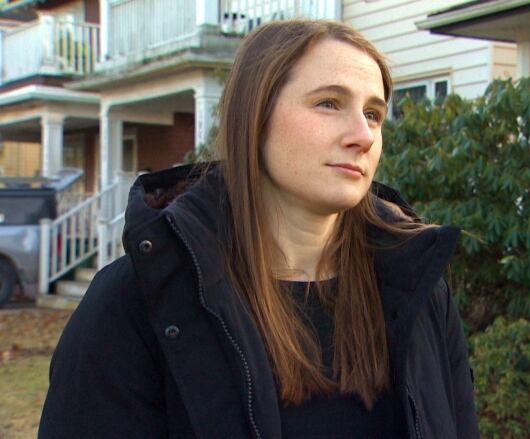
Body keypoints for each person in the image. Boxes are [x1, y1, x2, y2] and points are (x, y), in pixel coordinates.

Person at [39, 19, 479, 439]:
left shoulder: (417, 291)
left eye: (374, 114)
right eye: (329, 103)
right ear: (256, 117)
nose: (362, 135)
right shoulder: (136, 301)